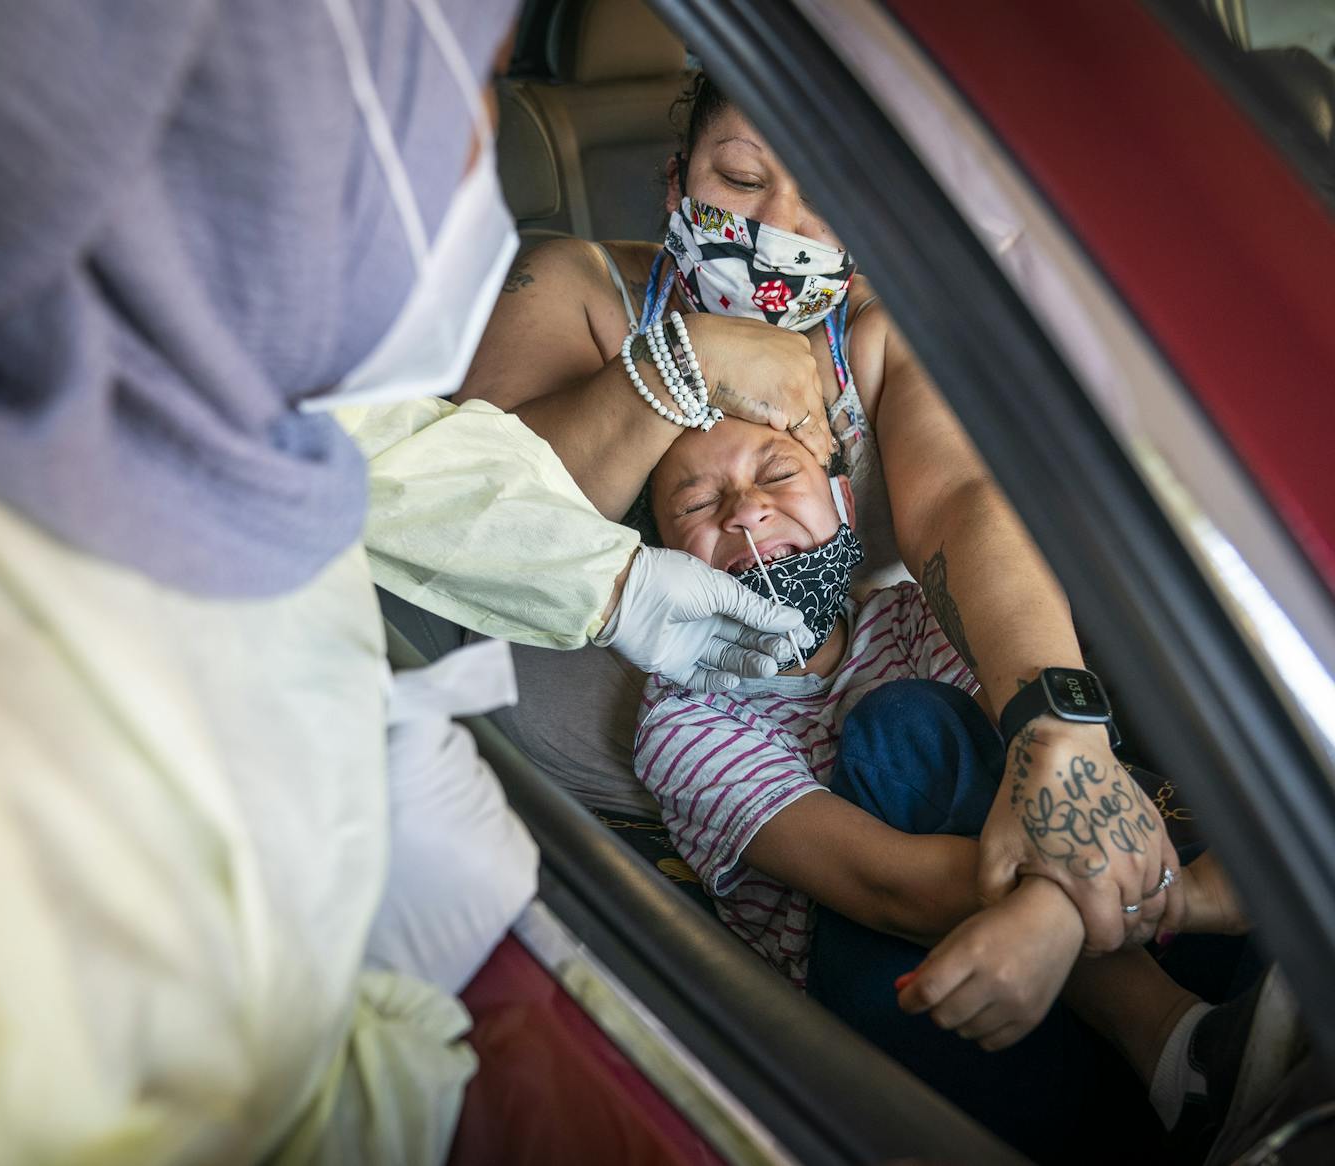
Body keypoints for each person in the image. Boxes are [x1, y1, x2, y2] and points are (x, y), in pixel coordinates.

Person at [0, 4, 807, 1161]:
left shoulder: (190, 391)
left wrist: (619, 581)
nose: (483, 148)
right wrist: (404, 1029)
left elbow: (393, 452)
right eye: (462, 89)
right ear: (277, 143)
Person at [456, 72, 1185, 956]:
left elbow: (959, 500)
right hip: (625, 808)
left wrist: (1055, 727)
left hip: (890, 750)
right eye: (744, 179)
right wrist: (685, 364)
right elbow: (485, 512)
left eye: (828, 198)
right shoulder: (571, 288)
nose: (779, 229)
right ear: (679, 176)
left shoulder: (876, 331)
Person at [632, 414, 1292, 1162]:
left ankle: (1201, 1062)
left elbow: (1041, 792)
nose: (745, 510)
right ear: (661, 563)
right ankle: (1178, 1041)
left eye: (778, 474)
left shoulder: (916, 612)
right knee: (902, 727)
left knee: (1278, 891)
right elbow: (888, 889)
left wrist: (1064, 915)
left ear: (844, 502)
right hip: (920, 982)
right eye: (696, 504)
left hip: (1066, 927)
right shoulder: (682, 720)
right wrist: (1179, 895)